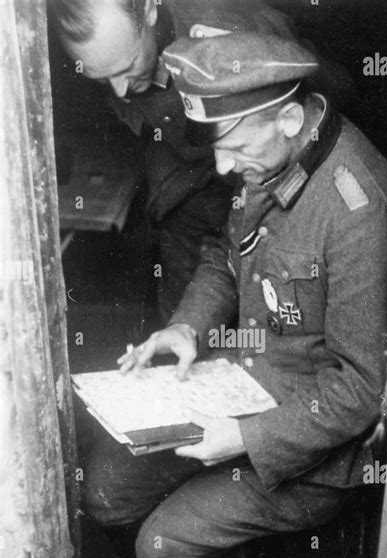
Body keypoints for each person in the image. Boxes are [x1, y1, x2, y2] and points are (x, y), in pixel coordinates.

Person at [84, 31, 387, 558]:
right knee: (105, 491)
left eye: (235, 148)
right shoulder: (272, 155)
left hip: (309, 447)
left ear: (291, 118)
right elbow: (223, 259)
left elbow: (358, 391)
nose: (225, 168)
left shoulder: (355, 208)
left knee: (163, 545)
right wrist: (186, 328)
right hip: (237, 381)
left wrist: (242, 436)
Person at [50, 0, 351, 321]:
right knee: (186, 320)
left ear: (150, 8)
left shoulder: (230, 22)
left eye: (128, 67)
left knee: (277, 314)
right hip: (187, 194)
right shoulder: (109, 54)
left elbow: (336, 97)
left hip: (269, 188)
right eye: (102, 80)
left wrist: (252, 52)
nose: (119, 89)